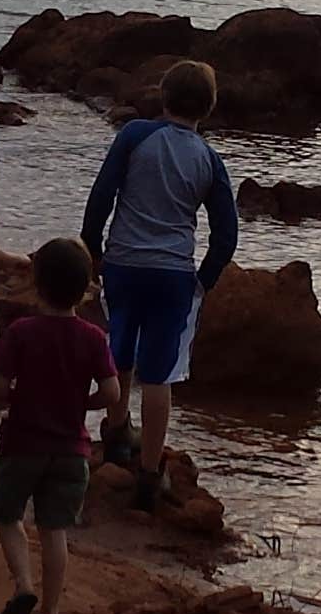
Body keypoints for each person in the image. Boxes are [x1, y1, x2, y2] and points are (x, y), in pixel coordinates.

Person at [81, 56, 238, 505]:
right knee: (159, 374)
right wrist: (203, 280)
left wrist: (93, 248)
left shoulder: (134, 136)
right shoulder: (209, 159)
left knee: (120, 353)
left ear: (163, 97)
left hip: (124, 264)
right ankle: (149, 474)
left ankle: (114, 435)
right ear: (207, 108)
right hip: (173, 274)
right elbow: (226, 233)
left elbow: (102, 194)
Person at [0, 236, 122, 614]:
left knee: (8, 516)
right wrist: (84, 401)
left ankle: (23, 585)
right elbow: (113, 393)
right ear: (84, 292)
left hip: (22, 443)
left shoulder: (21, 331)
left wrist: (13, 397)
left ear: (37, 285)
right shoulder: (94, 337)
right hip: (71, 450)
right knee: (54, 530)